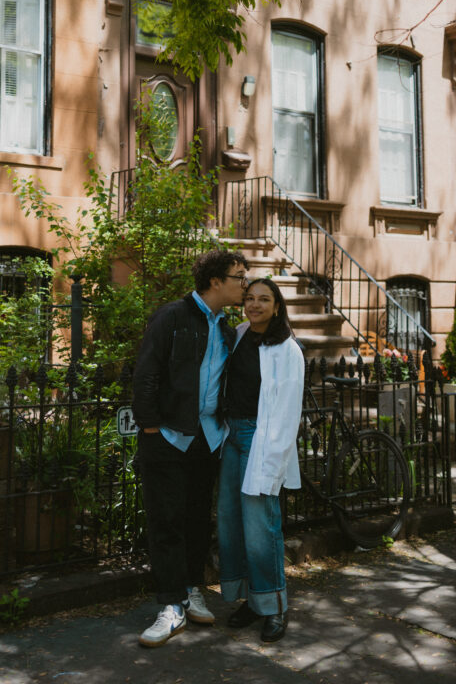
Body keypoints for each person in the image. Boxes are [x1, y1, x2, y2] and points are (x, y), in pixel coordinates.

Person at [132, 248, 249, 648]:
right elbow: (145, 373)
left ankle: (192, 588)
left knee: (198, 519)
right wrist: (149, 426)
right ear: (216, 281)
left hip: (209, 437)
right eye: (239, 277)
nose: (244, 285)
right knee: (166, 521)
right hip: (167, 436)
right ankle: (170, 606)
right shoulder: (171, 317)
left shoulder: (228, 329)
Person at [217, 277, 305, 643]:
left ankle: (276, 607)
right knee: (231, 524)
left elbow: (287, 414)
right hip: (231, 436)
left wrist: (272, 463)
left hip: (261, 438)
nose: (254, 305)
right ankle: (253, 602)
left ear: (277, 306)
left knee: (261, 527)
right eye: (249, 298)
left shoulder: (287, 350)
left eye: (263, 300)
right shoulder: (238, 335)